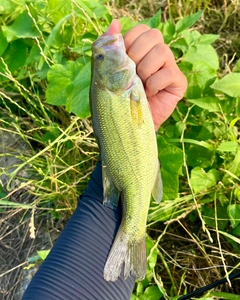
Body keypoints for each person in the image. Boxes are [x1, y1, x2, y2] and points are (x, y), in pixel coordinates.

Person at [22, 19, 187, 300]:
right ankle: (133, 233)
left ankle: (132, 232)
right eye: (100, 58)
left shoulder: (119, 87)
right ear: (104, 77)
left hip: (124, 173)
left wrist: (150, 125)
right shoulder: (116, 87)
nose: (103, 54)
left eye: (99, 57)